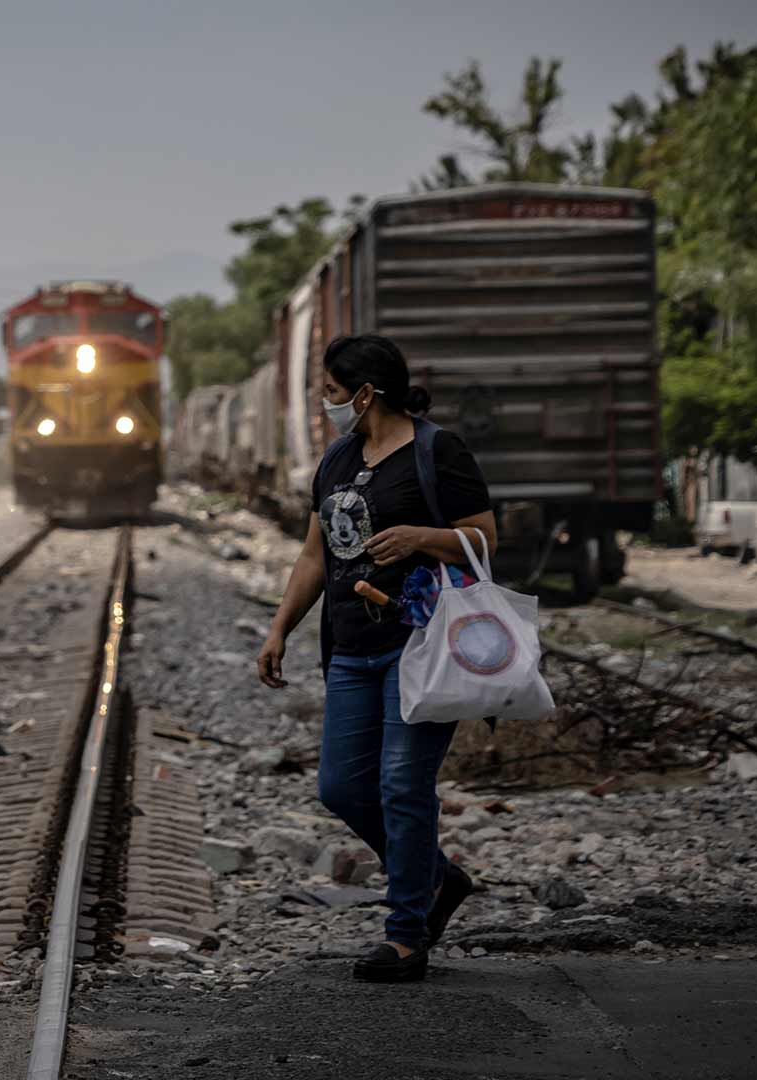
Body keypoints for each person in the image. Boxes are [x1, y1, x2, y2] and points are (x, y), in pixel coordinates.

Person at [255, 334, 498, 983]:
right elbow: (314, 555)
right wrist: (280, 629)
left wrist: (423, 536)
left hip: (418, 646)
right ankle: (438, 879)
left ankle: (405, 934)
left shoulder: (434, 450)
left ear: (365, 394)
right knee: (340, 787)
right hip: (350, 649)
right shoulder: (338, 459)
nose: (324, 403)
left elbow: (485, 537)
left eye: (332, 393)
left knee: (401, 786)